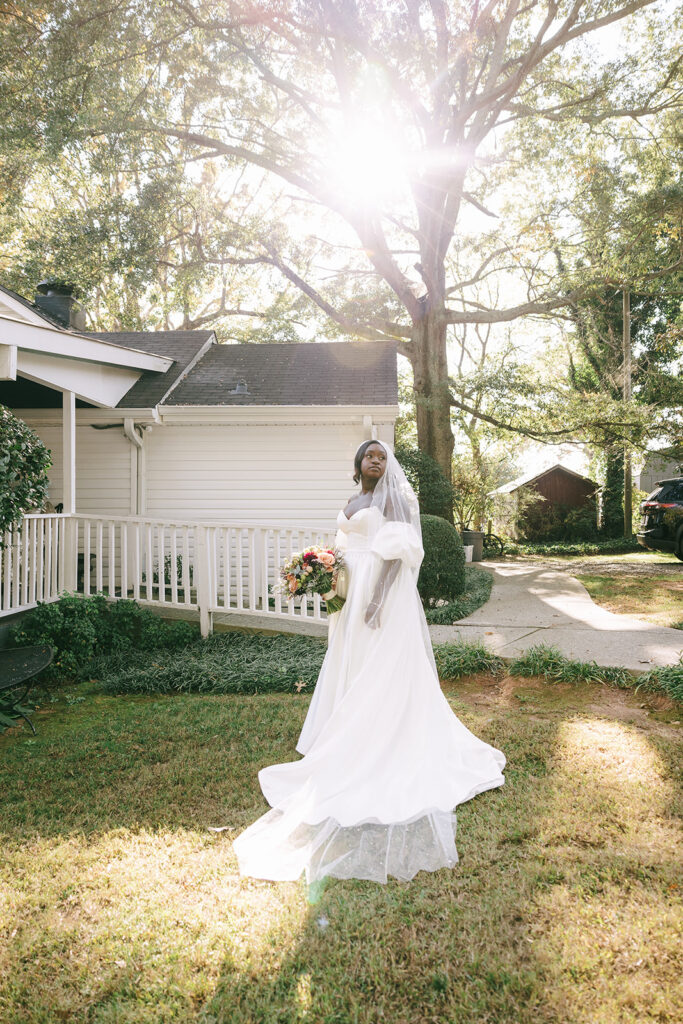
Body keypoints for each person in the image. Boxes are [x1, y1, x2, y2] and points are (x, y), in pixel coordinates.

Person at [232, 440, 505, 887]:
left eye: (382, 455)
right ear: (357, 463)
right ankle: (347, 732)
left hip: (382, 593)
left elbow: (402, 556)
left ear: (387, 465)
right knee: (352, 665)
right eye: (369, 455)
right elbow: (343, 550)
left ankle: (383, 738)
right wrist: (329, 584)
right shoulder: (352, 500)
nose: (376, 460)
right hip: (350, 593)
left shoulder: (396, 499)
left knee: (382, 668)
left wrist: (376, 598)